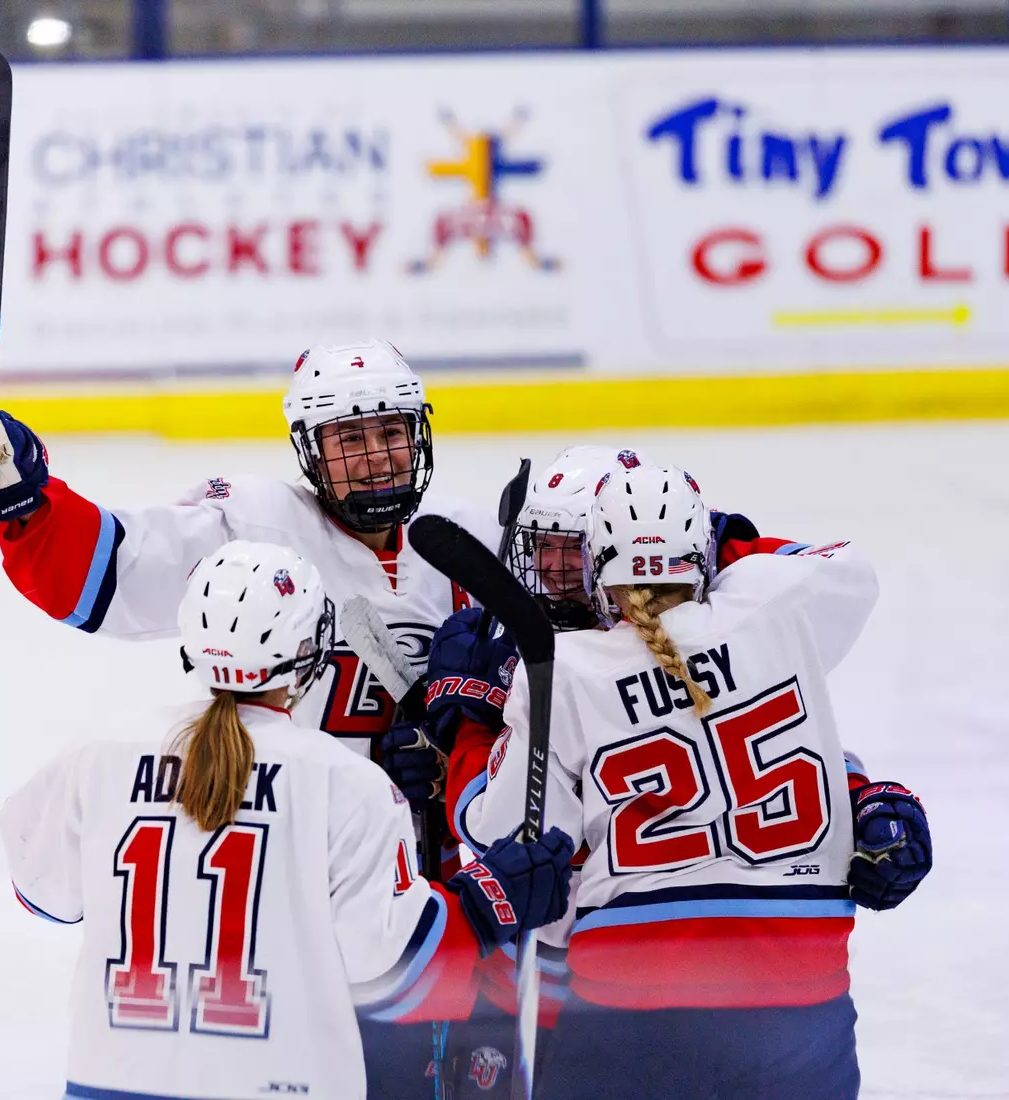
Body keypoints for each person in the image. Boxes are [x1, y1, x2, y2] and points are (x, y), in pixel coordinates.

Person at [0, 341, 495, 1096]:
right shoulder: (254, 530)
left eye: (390, 431)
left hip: (420, 879)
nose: (374, 458)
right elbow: (114, 570)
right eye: (349, 439)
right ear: (309, 450)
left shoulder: (470, 541)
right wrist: (26, 499)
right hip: (294, 883)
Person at [381, 445, 928, 1097]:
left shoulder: (560, 673)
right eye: (544, 548)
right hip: (797, 991)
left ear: (602, 556)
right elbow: (834, 588)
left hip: (617, 988)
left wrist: (469, 727)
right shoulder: (772, 606)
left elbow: (496, 827)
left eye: (573, 551)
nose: (552, 571)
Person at [0, 540, 575, 1100]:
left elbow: (43, 895)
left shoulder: (99, 754)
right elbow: (396, 972)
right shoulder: (345, 784)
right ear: (312, 649)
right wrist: (489, 899)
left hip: (107, 1079)